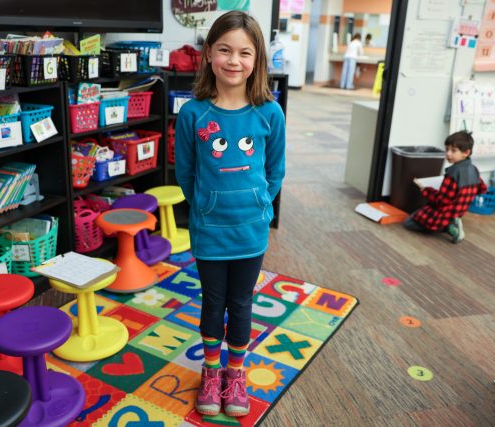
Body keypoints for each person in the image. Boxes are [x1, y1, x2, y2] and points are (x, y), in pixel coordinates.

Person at [174, 10, 286, 418]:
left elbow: (275, 171)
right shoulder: (193, 113)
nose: (234, 60)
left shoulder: (270, 113)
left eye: (244, 52)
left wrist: (258, 203)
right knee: (212, 301)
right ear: (208, 54)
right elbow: (185, 172)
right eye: (224, 50)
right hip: (210, 230)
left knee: (241, 303)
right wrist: (205, 204)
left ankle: (235, 373)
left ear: (257, 60)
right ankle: (210, 369)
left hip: (251, 231)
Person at [403, 131, 487, 243]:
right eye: (447, 149)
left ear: (466, 152)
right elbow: (482, 188)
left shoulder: (453, 172)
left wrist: (426, 190)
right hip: (460, 211)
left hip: (447, 211)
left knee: (409, 222)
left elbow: (442, 200)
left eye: (453, 151)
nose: (448, 154)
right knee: (423, 212)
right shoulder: (474, 169)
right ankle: (451, 223)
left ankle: (447, 225)